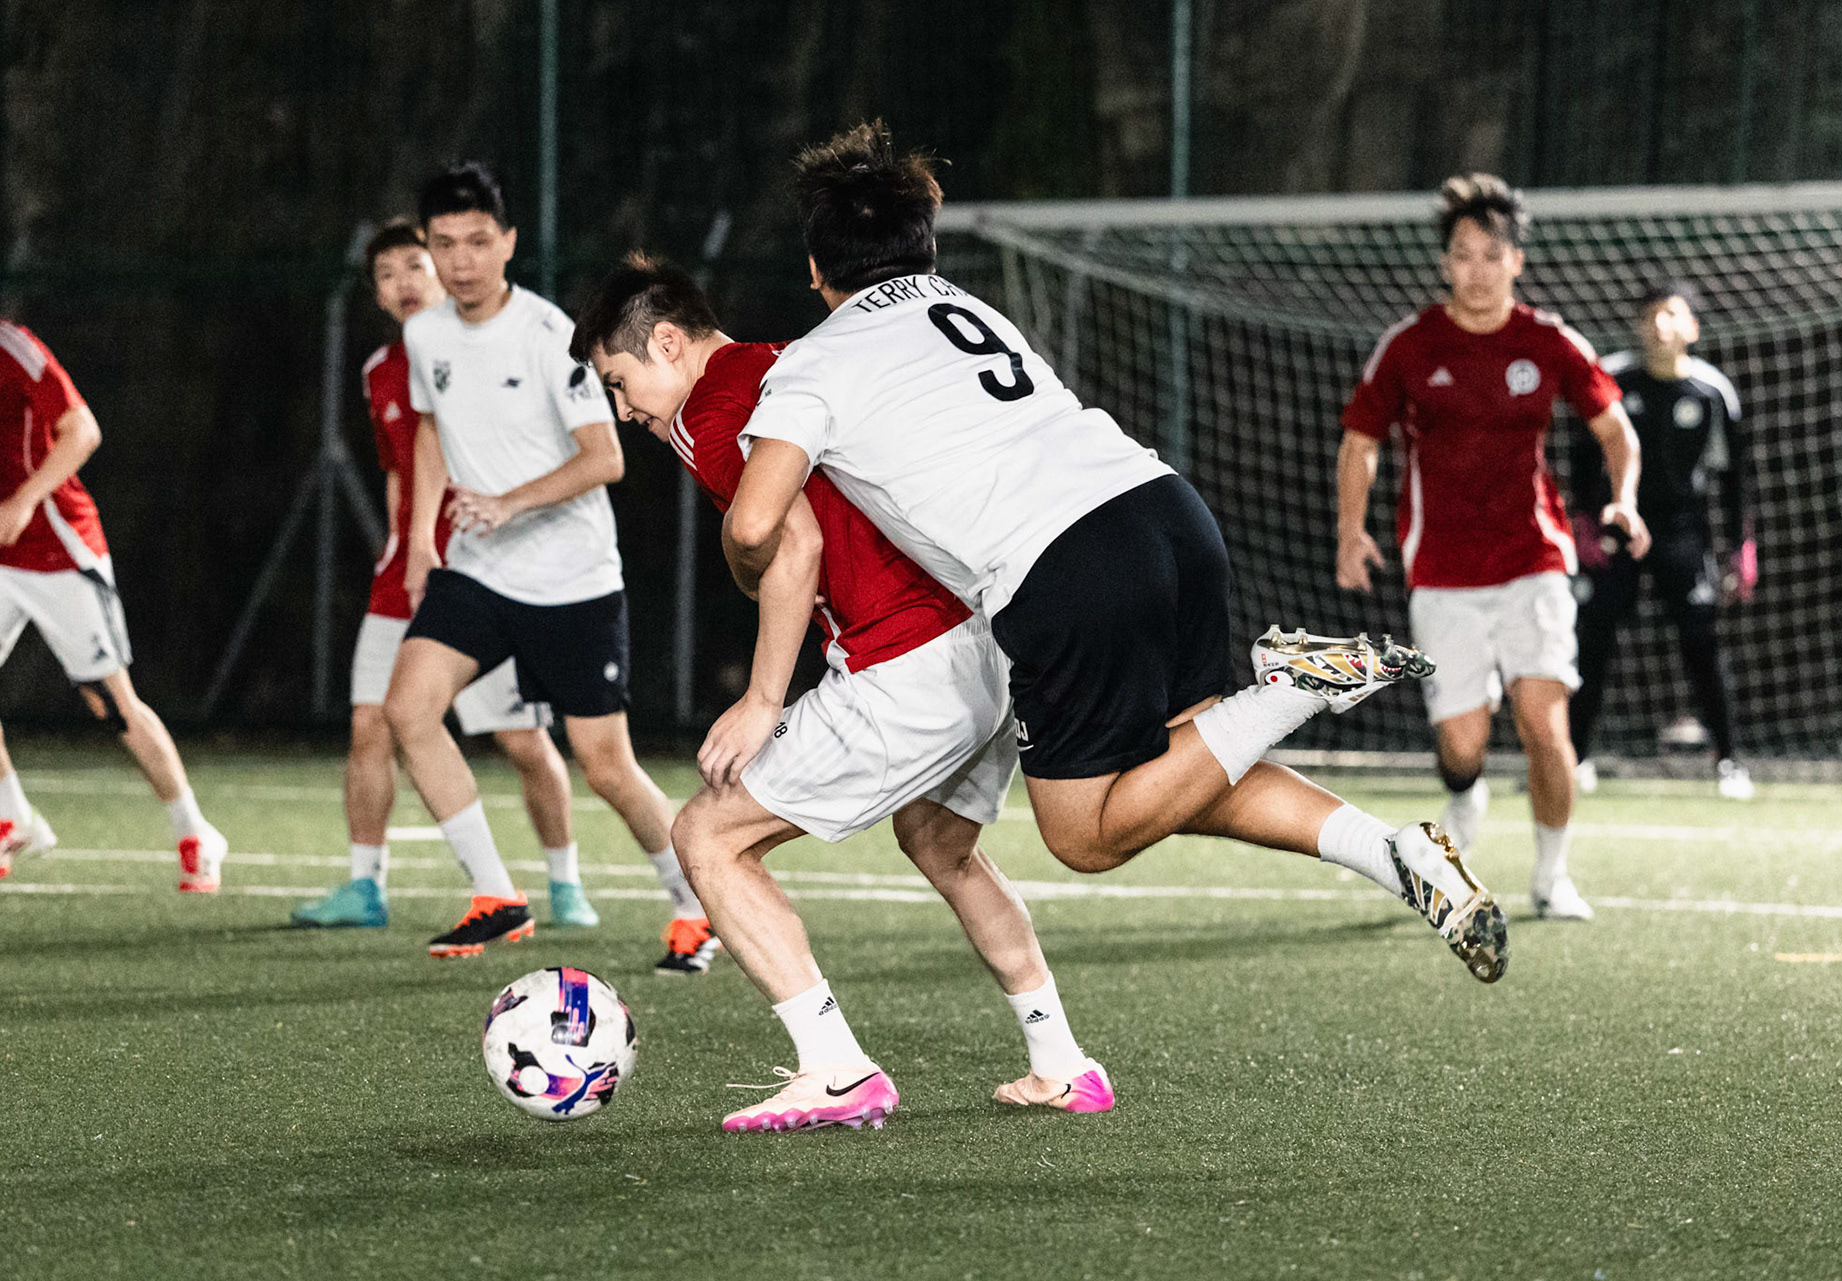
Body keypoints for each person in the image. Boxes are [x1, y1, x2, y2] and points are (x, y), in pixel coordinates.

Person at [722, 122, 1509, 987]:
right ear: (927, 247)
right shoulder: (969, 309)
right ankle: (1393, 853)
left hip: (1065, 569)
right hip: (1166, 512)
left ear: (815, 269)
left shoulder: (815, 361)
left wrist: (743, 573)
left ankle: (1288, 689)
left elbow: (757, 525)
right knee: (1182, 769)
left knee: (1085, 834)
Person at [573, 253, 1111, 1132]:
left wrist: (762, 699)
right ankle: (1062, 1061)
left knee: (706, 835)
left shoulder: (709, 410)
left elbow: (794, 544)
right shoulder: (787, 360)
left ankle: (835, 1069)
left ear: (667, 343)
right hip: (985, 641)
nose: (624, 410)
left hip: (909, 664)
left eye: (620, 383)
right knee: (940, 843)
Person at [381, 163, 699, 962]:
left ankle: (696, 903)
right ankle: (496, 894)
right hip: (479, 570)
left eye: (477, 241)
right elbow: (430, 428)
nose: (461, 260)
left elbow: (605, 458)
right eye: (444, 244)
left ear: (509, 242)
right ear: (428, 247)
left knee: (607, 768)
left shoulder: (549, 334)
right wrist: (421, 539)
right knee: (408, 710)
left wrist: (508, 502)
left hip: (571, 579)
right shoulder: (424, 335)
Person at [1337, 173, 1651, 922]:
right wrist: (1351, 531)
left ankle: (1552, 877)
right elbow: (1360, 441)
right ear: (1444, 263)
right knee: (1463, 744)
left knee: (1544, 723)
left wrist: (1624, 498)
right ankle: (1464, 792)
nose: (1475, 270)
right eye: (1461, 255)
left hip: (1532, 560)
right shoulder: (1410, 345)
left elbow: (1616, 431)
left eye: (1490, 255)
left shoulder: (1549, 341)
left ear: (1516, 261)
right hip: (1442, 570)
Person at [292, 221, 595, 930]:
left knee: (522, 741)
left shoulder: (490, 351)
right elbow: (400, 472)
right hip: (403, 575)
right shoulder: (379, 369)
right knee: (370, 726)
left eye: (414, 265)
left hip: (484, 574)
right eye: (385, 274)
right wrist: (402, 548)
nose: (402, 282)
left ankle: (565, 882)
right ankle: (365, 886)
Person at [0, 321, 228, 888]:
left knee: (111, 703)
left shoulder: (14, 347)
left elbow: (82, 430)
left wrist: (23, 501)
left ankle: (195, 831)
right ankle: (12, 816)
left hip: (59, 548)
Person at [1568, 281, 1755, 801]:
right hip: (1617, 530)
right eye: (1650, 314)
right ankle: (1574, 758)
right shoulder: (1612, 378)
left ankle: (1729, 761)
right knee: (1593, 641)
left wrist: (1741, 546)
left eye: (1671, 314)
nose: (1659, 324)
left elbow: (1735, 477)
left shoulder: (1712, 391)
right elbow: (1582, 454)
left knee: (1701, 642)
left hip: (1680, 531)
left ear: (1692, 327)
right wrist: (1583, 524)